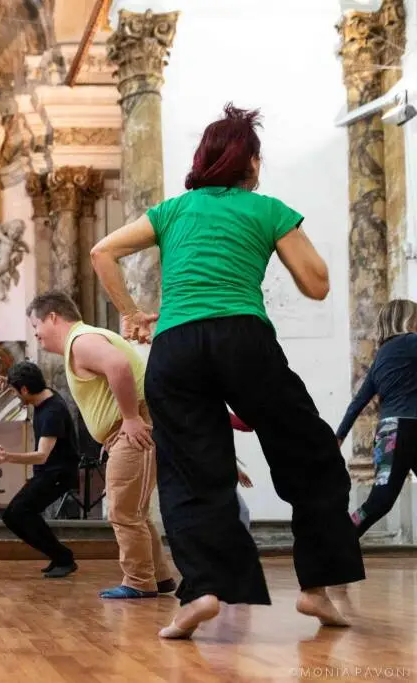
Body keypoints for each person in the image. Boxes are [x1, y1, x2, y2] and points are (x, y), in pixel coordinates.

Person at [90, 103, 364, 638]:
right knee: (313, 459)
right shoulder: (266, 209)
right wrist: (283, 232)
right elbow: (318, 284)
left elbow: (102, 251)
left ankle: (201, 592)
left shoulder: (172, 211)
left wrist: (130, 312)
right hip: (243, 338)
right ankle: (316, 591)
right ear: (252, 164)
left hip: (174, 346)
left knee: (193, 474)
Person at [25, 294, 175, 597]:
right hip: (123, 431)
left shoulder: (81, 341)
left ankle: (138, 582)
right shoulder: (84, 341)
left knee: (122, 512)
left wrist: (130, 419)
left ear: (53, 317)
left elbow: (118, 366)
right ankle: (158, 579)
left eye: (36, 325)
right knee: (136, 512)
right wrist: (112, 431)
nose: (36, 334)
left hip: (132, 427)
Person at [0, 361, 81, 579]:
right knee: (17, 514)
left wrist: (7, 457)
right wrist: (8, 380)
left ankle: (63, 558)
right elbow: (23, 383)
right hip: (49, 472)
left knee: (17, 513)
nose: (15, 396)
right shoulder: (44, 395)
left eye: (15, 392)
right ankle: (60, 557)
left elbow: (42, 455)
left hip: (58, 474)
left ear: (25, 390)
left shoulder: (52, 412)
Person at [335, 299, 417, 536]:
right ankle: (337, 539)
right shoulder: (411, 342)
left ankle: (338, 539)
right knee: (380, 501)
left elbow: (357, 403)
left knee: (380, 501)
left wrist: (339, 437)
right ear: (407, 319)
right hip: (408, 430)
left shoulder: (381, 356)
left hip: (389, 433)